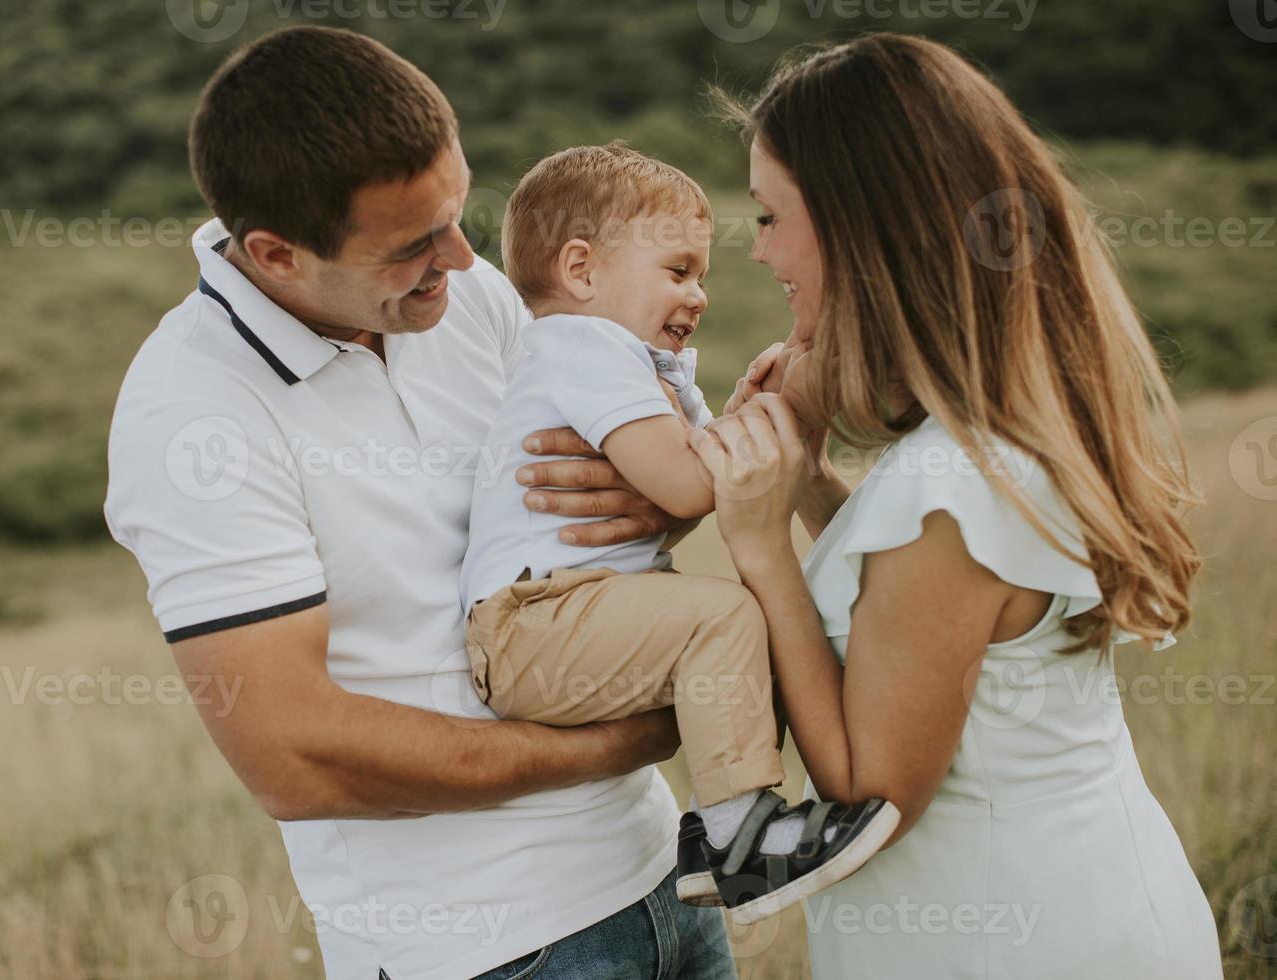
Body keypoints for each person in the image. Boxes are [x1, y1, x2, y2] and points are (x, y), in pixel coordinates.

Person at [104, 25, 739, 980]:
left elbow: (610, 471)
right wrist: (624, 739)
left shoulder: (466, 293)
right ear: (277, 255)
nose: (463, 255)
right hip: (483, 951)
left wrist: (667, 505)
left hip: (662, 882)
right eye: (413, 245)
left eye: (456, 211)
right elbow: (294, 756)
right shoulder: (190, 415)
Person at [692, 33, 1224, 978]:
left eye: (771, 216)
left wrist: (763, 542)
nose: (761, 248)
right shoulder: (992, 446)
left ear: (865, 225)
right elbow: (917, 625)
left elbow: (870, 793)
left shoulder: (949, 489)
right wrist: (810, 480)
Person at [460, 142, 899, 926]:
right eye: (679, 270)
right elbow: (692, 485)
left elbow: (697, 478)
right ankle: (735, 836)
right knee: (724, 616)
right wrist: (786, 413)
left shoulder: (636, 362)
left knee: (728, 623)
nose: (699, 294)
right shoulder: (585, 347)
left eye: (702, 275)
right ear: (582, 270)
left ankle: (734, 826)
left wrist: (740, 421)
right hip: (533, 623)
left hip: (562, 616)